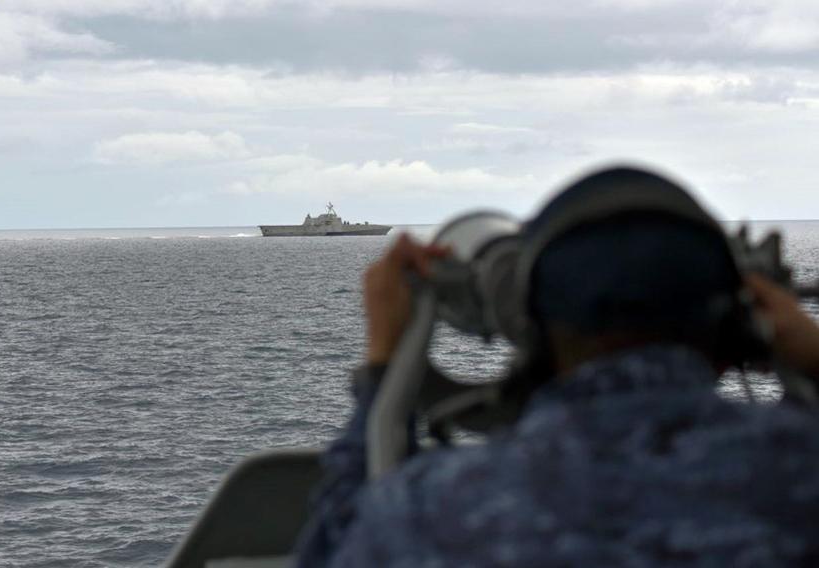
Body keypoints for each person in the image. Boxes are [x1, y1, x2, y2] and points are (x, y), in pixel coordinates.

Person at [293, 167, 819, 567]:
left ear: (532, 326)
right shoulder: (799, 473)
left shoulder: (432, 510)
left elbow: (334, 550)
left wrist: (387, 358)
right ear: (736, 320)